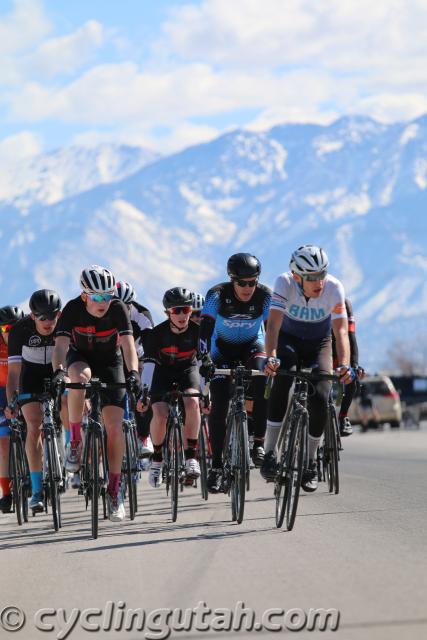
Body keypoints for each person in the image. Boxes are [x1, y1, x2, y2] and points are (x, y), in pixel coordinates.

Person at [52, 265, 141, 523]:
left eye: (108, 295)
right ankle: (76, 443)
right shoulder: (72, 310)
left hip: (111, 363)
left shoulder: (117, 309)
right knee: (78, 379)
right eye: (97, 297)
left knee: (114, 429)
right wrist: (59, 371)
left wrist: (133, 372)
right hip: (80, 358)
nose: (104, 302)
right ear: (84, 296)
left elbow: (127, 345)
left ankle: (115, 491)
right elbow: (60, 347)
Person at [262, 244, 355, 492]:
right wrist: (271, 357)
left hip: (319, 343)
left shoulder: (334, 288)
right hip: (288, 341)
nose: (319, 282)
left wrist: (344, 364)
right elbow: (272, 327)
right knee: (282, 379)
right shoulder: (283, 283)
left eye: (322, 274)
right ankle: (270, 451)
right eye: (312, 277)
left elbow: (341, 331)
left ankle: (310, 461)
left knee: (323, 395)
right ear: (296, 277)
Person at [198, 253, 271, 493]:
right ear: (232, 280)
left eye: (253, 282)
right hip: (222, 352)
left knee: (264, 378)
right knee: (219, 404)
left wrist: (274, 357)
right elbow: (205, 329)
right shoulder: (217, 294)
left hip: (253, 347)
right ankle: (217, 467)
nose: (248, 287)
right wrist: (205, 357)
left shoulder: (265, 295)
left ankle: (258, 443)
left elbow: (274, 329)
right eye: (243, 283)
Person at [6, 290, 63, 513]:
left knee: (70, 401)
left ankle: (71, 447)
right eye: (42, 317)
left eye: (53, 316)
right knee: (34, 425)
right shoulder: (20, 331)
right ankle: (37, 491)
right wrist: (12, 402)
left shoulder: (64, 325)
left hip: (57, 371)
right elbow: (13, 375)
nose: (48, 322)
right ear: (32, 317)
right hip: (30, 377)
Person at [139, 287, 203, 488]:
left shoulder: (198, 332)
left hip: (187, 370)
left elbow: (203, 363)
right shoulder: (156, 334)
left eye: (185, 309)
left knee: (193, 402)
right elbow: (148, 365)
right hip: (161, 373)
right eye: (177, 311)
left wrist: (205, 394)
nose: (182, 315)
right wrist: (145, 394)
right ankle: (157, 458)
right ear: (167, 313)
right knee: (159, 413)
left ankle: (191, 457)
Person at [115, 280, 154, 459]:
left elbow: (151, 346)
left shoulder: (142, 314)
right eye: (117, 304)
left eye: (126, 305)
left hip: (137, 355)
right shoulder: (104, 313)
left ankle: (144, 436)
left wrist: (142, 365)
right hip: (113, 357)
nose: (122, 308)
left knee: (144, 392)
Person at [0, 306, 25, 513]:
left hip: (23, 386)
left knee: (34, 430)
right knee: (4, 442)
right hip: (1, 391)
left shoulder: (26, 340)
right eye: (6, 328)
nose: (10, 332)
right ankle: (6, 494)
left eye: (14, 328)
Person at [332, 298, 364, 437]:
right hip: (321, 347)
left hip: (340, 349)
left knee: (352, 376)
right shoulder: (318, 301)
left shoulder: (345, 305)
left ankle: (343, 416)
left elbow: (351, 337)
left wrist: (355, 365)